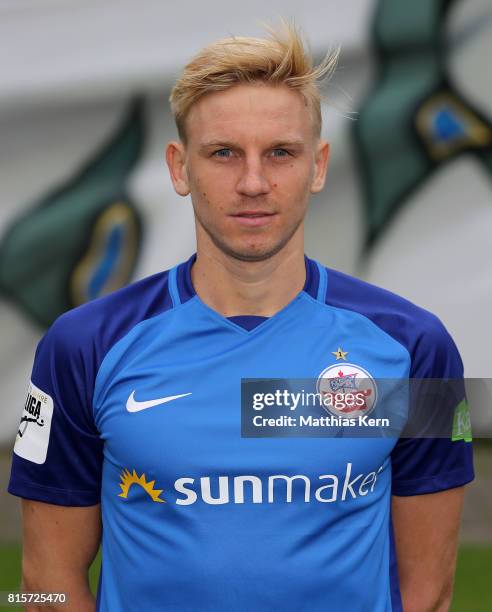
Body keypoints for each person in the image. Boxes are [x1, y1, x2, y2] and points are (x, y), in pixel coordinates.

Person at [8, 21, 473, 612]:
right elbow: (46, 584)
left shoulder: (417, 348)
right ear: (180, 168)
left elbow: (429, 594)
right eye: (223, 153)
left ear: (319, 166)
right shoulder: (82, 347)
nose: (253, 183)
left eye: (281, 152)